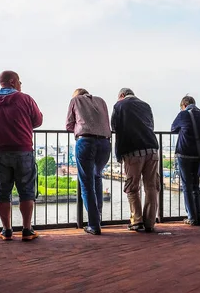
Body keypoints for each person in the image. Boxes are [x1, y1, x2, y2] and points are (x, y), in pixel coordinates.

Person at [0, 71, 43, 241]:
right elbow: (38, 121)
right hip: (23, 149)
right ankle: (26, 229)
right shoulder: (25, 99)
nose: (21, 85)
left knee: (2, 191)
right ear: (13, 82)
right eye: (20, 82)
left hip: (0, 150)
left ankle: (6, 230)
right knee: (26, 191)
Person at [111, 88, 159, 232]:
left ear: (121, 96)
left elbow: (114, 127)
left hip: (132, 150)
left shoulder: (119, 106)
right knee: (151, 186)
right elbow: (151, 125)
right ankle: (150, 222)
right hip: (152, 149)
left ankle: (136, 220)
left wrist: (119, 153)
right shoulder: (146, 105)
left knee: (132, 186)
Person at [66, 88, 111, 235]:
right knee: (97, 176)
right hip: (105, 143)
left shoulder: (75, 101)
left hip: (85, 141)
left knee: (86, 183)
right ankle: (98, 217)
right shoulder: (101, 101)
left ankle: (93, 224)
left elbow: (68, 125)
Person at [171, 95, 200, 226]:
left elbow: (173, 128)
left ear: (184, 105)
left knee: (186, 185)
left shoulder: (183, 115)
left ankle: (192, 217)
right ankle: (199, 216)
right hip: (199, 154)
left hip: (185, 153)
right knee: (196, 185)